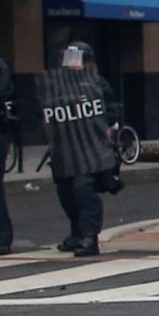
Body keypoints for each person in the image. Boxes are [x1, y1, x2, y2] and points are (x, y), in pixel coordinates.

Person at [39, 42, 121, 257]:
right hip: (65, 148)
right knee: (66, 192)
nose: (72, 64)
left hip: (89, 149)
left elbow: (111, 112)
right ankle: (76, 233)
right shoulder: (57, 85)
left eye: (77, 60)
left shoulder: (96, 83)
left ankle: (89, 237)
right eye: (69, 60)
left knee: (84, 191)